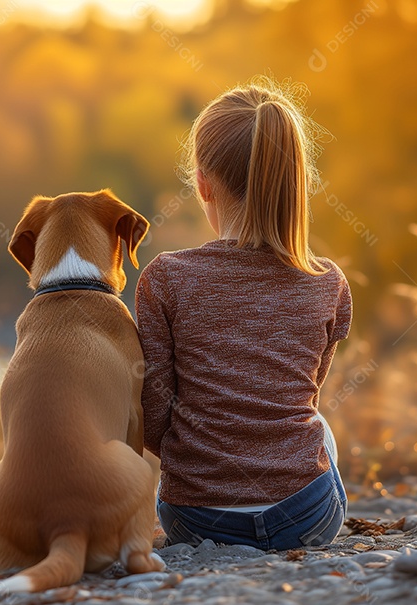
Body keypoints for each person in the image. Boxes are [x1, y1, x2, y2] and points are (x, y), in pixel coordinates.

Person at [136, 77, 352, 549]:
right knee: (317, 424)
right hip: (306, 517)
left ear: (202, 184)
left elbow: (153, 419)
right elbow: (305, 395)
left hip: (195, 521)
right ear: (294, 178)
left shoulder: (165, 278)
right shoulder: (327, 281)